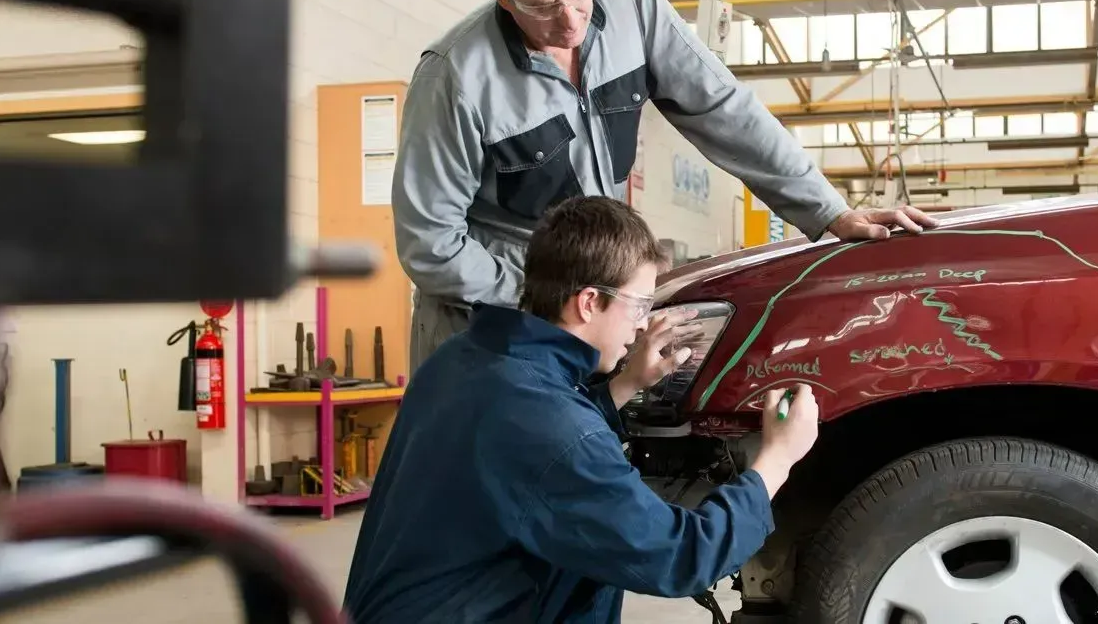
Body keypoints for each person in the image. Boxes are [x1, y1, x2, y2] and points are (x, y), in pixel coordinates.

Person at [392, 0, 937, 368]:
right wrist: (547, 298)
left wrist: (827, 210)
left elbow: (723, 107)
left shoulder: (629, 2)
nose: (570, 21)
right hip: (485, 332)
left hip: (584, 315)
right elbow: (430, 244)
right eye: (542, 6)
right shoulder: (455, 78)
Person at [342, 196, 821, 623]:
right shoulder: (553, 428)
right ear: (589, 302)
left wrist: (626, 384)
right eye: (639, 306)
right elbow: (678, 556)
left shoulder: (464, 358)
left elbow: (529, 456)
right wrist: (777, 458)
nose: (641, 326)